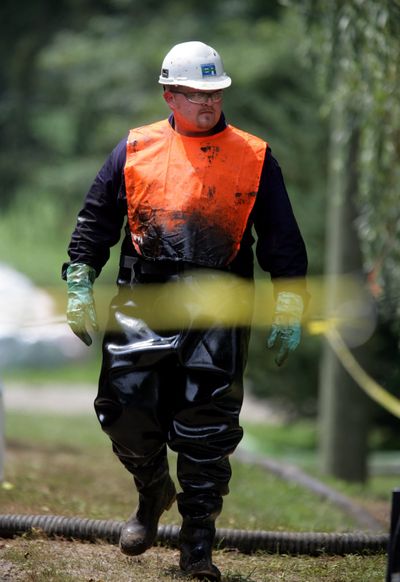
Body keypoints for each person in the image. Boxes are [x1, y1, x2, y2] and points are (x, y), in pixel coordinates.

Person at [63, 41, 308, 581]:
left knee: (207, 428)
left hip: (220, 304)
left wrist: (289, 301)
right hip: (143, 298)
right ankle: (152, 490)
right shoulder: (134, 149)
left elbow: (283, 240)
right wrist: (79, 280)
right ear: (170, 94)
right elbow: (96, 220)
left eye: (215, 93)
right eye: (196, 94)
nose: (208, 103)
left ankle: (197, 544)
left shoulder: (255, 156)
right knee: (122, 409)